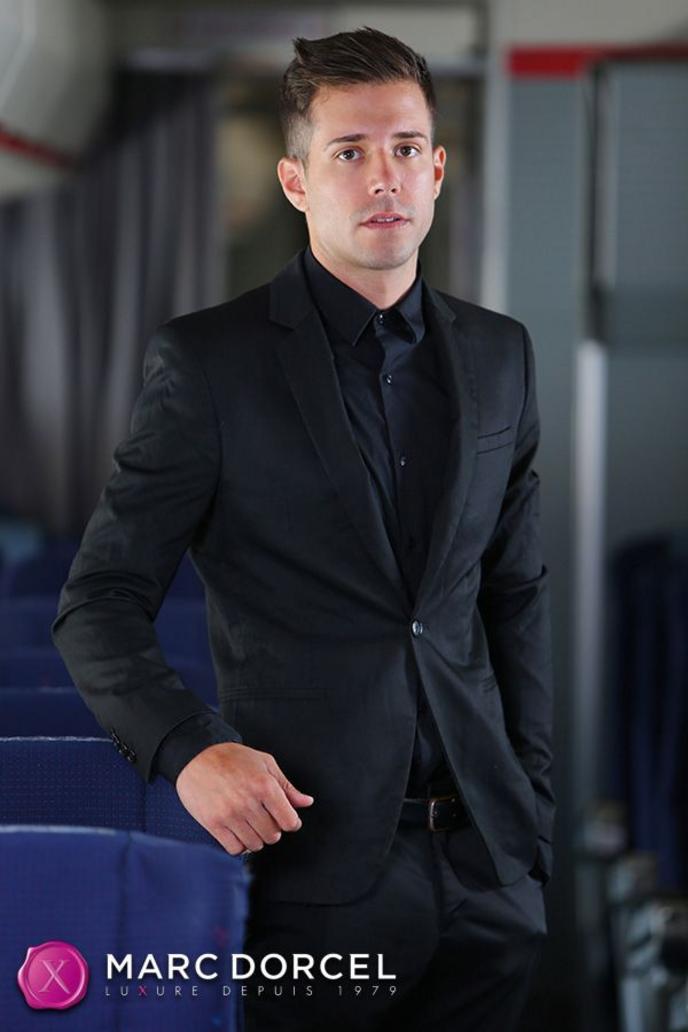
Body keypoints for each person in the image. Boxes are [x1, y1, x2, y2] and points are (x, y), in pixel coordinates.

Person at [52, 26, 555, 1032]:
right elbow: (98, 602)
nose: (384, 177)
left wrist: (532, 804)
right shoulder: (210, 365)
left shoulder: (501, 355)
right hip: (315, 867)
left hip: (489, 867)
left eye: (405, 148)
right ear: (295, 181)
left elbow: (514, 593)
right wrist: (189, 749)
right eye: (349, 152)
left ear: (437, 169)